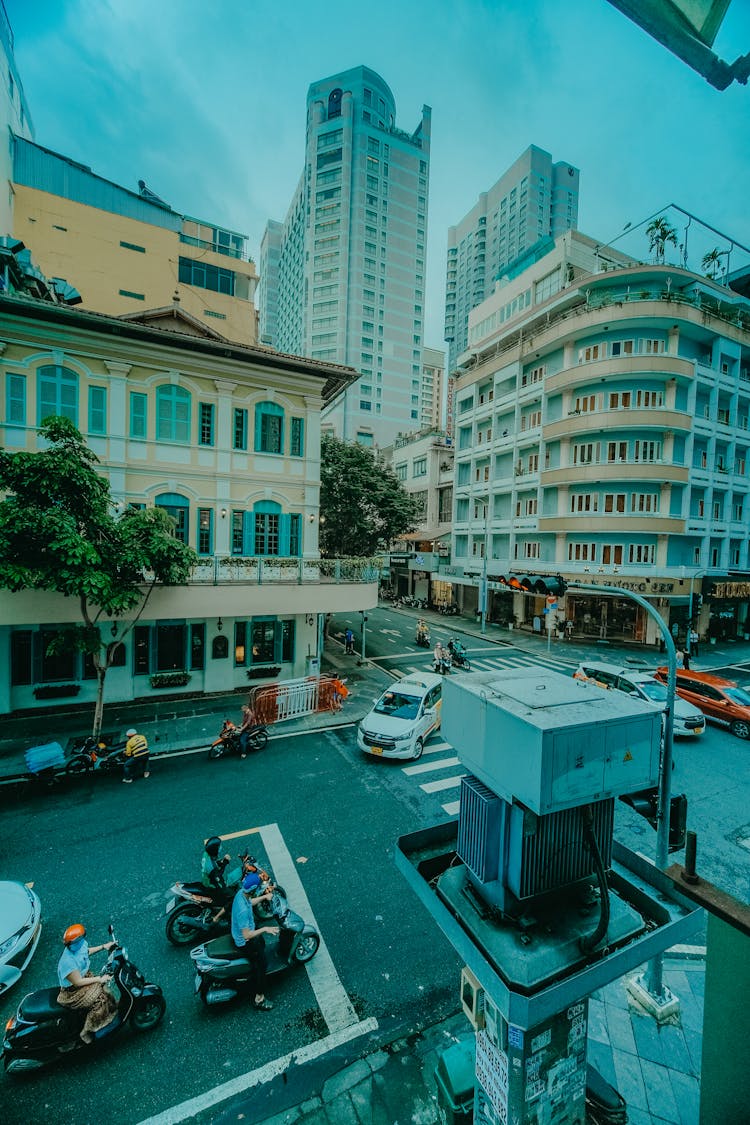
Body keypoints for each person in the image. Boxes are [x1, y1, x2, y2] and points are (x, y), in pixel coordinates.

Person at [56, 924, 118, 1044]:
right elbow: (78, 982)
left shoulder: (80, 945)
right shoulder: (67, 962)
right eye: (74, 942)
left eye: (80, 939)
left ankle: (111, 1012)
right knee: (99, 1000)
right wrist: (99, 979)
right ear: (68, 944)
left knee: (105, 989)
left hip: (84, 977)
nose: (79, 943)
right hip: (73, 992)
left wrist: (104, 946)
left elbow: (86, 951)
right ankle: (88, 1031)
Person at [231, 872, 279, 1011]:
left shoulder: (241, 893)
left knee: (261, 944)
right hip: (245, 941)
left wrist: (265, 896)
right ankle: (259, 998)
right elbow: (247, 935)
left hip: (245, 930)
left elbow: (250, 902)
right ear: (252, 890)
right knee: (262, 965)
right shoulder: (242, 912)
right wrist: (265, 929)